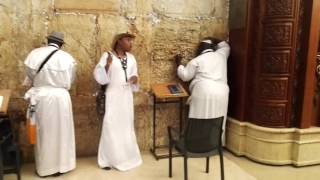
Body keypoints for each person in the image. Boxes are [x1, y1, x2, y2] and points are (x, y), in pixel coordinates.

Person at [23, 31, 77, 177]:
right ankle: (62, 166)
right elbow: (71, 79)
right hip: (61, 97)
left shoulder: (34, 54)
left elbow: (29, 75)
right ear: (61, 44)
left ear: (48, 41)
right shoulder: (68, 58)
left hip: (42, 97)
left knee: (44, 133)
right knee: (62, 132)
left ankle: (45, 168)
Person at [93, 33, 142, 171]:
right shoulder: (107, 56)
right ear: (119, 41)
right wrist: (108, 65)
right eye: (128, 40)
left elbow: (135, 74)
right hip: (113, 95)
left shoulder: (131, 58)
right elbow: (99, 77)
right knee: (111, 125)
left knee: (126, 125)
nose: (131, 43)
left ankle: (127, 157)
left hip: (126, 96)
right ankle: (107, 160)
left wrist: (134, 79)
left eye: (131, 41)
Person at [175, 37, 230, 145]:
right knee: (218, 118)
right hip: (221, 92)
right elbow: (226, 45)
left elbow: (185, 76)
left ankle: (197, 145)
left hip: (203, 90)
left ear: (200, 49)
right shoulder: (221, 54)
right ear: (212, 47)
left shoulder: (197, 60)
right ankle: (215, 145)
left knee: (199, 118)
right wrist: (212, 37)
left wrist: (179, 64)